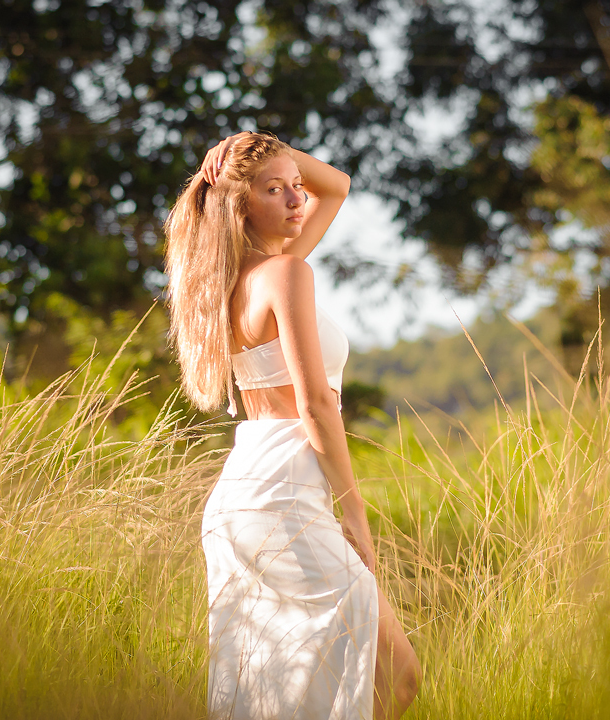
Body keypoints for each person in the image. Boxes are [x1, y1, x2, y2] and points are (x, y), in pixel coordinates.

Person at [163, 131, 420, 720]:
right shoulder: (284, 274)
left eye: (296, 188)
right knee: (394, 677)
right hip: (285, 496)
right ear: (239, 204)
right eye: (274, 189)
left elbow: (339, 185)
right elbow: (317, 407)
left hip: (245, 496)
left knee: (283, 690)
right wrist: (354, 509)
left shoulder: (223, 285)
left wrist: (249, 148)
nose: (297, 199)